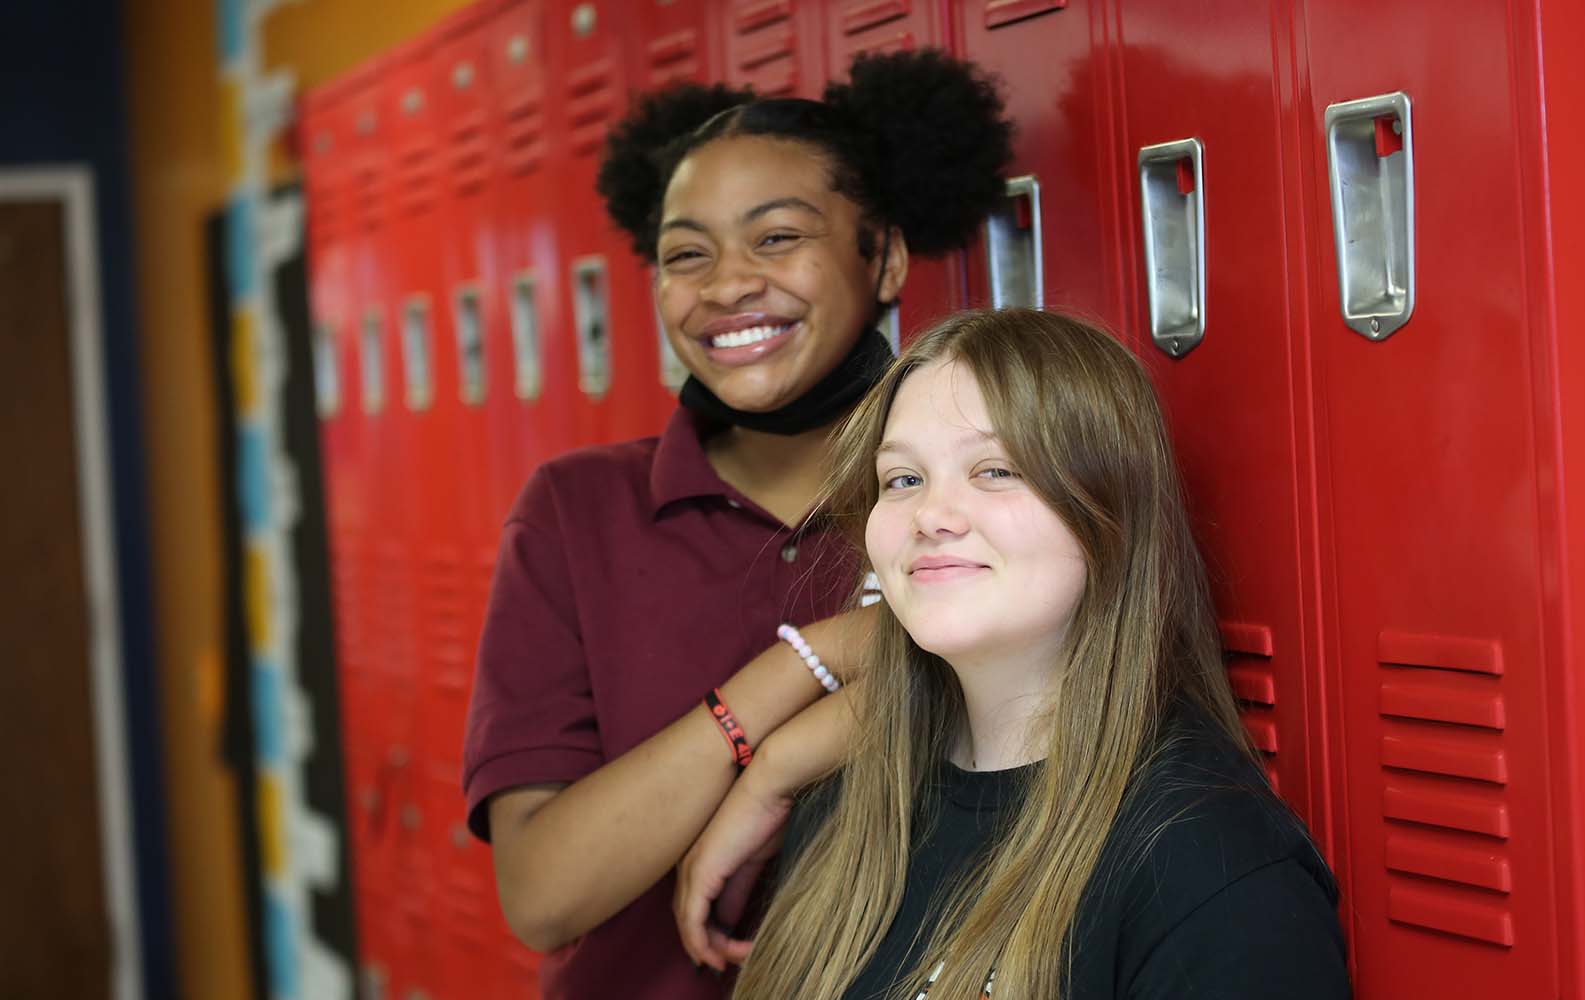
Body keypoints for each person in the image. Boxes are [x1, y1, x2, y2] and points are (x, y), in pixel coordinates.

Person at [460, 52, 1013, 999]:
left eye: (776, 239)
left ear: (883, 257)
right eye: (687, 253)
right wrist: (809, 663)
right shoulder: (573, 511)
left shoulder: (980, 496)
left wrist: (781, 762)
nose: (724, 286)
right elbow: (543, 896)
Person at [677, 309, 1352, 999]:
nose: (931, 515)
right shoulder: (850, 803)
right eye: (903, 479)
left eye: (995, 470)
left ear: (1108, 514)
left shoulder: (1208, 865)